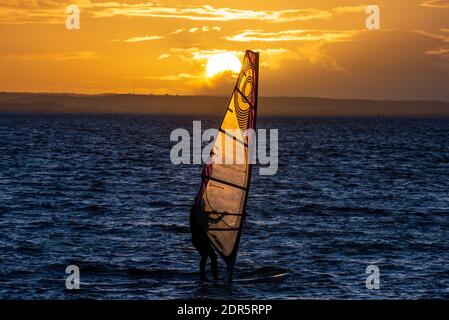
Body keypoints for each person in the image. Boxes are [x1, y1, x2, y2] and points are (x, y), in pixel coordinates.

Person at [189, 201, 218, 281]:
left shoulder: (201, 213)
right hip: (198, 239)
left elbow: (214, 221)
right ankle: (206, 277)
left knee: (209, 256)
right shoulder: (195, 212)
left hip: (202, 239)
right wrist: (209, 213)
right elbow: (200, 221)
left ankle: (212, 277)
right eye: (203, 204)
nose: (204, 205)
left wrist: (223, 215)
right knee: (208, 256)